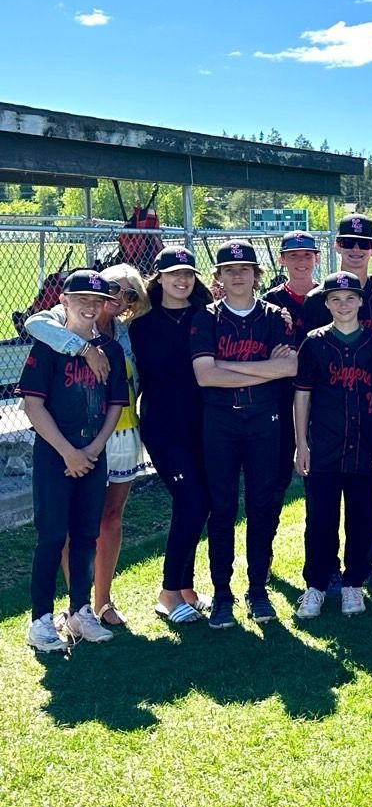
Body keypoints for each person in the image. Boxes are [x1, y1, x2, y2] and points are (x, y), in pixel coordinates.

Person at [24, 263, 152, 628]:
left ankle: (84, 610)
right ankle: (43, 618)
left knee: (88, 531)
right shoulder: (49, 341)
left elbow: (116, 402)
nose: (93, 305)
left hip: (99, 447)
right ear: (63, 300)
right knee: (53, 534)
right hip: (57, 452)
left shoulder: (114, 345)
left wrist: (93, 449)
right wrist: (69, 451)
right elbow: (32, 404)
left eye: (99, 300)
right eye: (82, 298)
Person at [191, 240, 297, 629]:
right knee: (221, 508)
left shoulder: (274, 316)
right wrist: (262, 366)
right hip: (219, 421)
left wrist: (228, 367)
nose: (237, 275)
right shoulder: (206, 317)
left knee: (262, 506)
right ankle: (222, 593)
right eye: (229, 270)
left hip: (263, 419)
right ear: (218, 277)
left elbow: (289, 369)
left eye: (245, 269)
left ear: (257, 275)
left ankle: (257, 589)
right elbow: (205, 375)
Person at [294, 272, 372, 619]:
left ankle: (354, 583)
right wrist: (301, 444)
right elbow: (302, 397)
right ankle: (317, 584)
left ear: (360, 302)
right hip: (323, 444)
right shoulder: (314, 342)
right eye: (335, 299)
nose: (343, 305)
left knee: (363, 517)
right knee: (320, 519)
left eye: (350, 298)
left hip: (366, 445)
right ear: (325, 303)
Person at [130, 246, 215, 623]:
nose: (181, 280)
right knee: (193, 501)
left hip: (203, 423)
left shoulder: (204, 316)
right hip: (163, 426)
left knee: (199, 504)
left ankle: (185, 589)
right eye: (173, 273)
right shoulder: (141, 324)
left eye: (188, 273)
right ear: (158, 278)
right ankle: (167, 595)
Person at [263, 231, 321, 514]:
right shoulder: (269, 301)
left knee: (321, 482)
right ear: (282, 259)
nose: (301, 261)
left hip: (321, 399)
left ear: (317, 258)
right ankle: (263, 556)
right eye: (294, 255)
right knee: (275, 481)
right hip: (280, 397)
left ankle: (321, 555)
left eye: (307, 255)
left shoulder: (330, 297)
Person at [300, 213, 372, 338]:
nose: (356, 249)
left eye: (364, 243)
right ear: (337, 246)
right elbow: (305, 350)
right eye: (348, 242)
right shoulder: (317, 298)